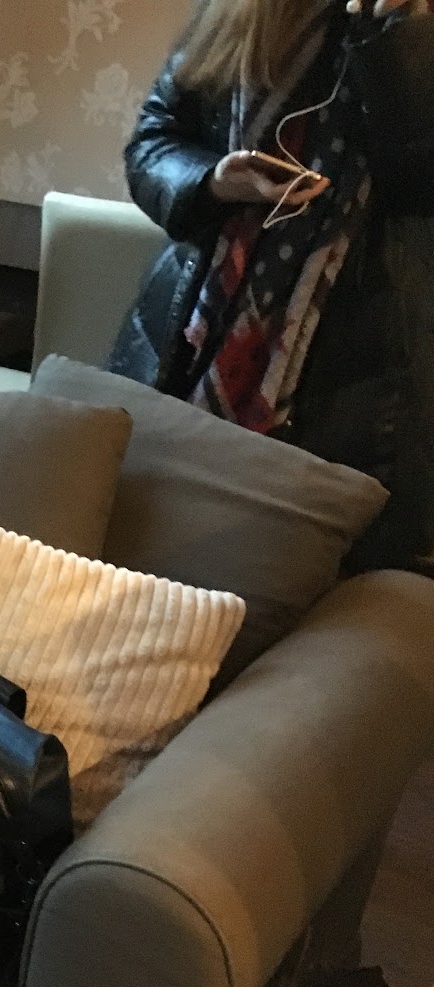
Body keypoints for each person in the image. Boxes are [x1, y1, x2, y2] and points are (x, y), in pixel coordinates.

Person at [112, 0, 434, 575]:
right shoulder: (245, 9)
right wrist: (213, 181)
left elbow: (419, 183)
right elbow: (153, 142)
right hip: (188, 342)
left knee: (286, 581)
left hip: (361, 387)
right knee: (144, 557)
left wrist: (400, 36)